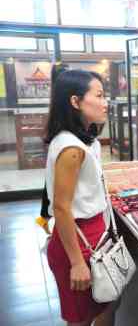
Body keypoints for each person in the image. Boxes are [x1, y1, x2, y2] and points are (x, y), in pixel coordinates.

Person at [45, 70, 118, 325]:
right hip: (77, 242)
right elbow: (62, 208)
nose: (105, 102)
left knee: (102, 309)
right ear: (75, 102)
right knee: (81, 318)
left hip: (92, 238)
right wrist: (77, 263)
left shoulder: (84, 140)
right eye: (98, 95)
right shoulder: (71, 148)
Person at [37, 62, 70, 236]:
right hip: (63, 144)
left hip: (57, 143)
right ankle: (45, 217)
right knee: (53, 186)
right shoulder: (64, 97)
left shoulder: (56, 97)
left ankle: (43, 218)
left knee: (50, 183)